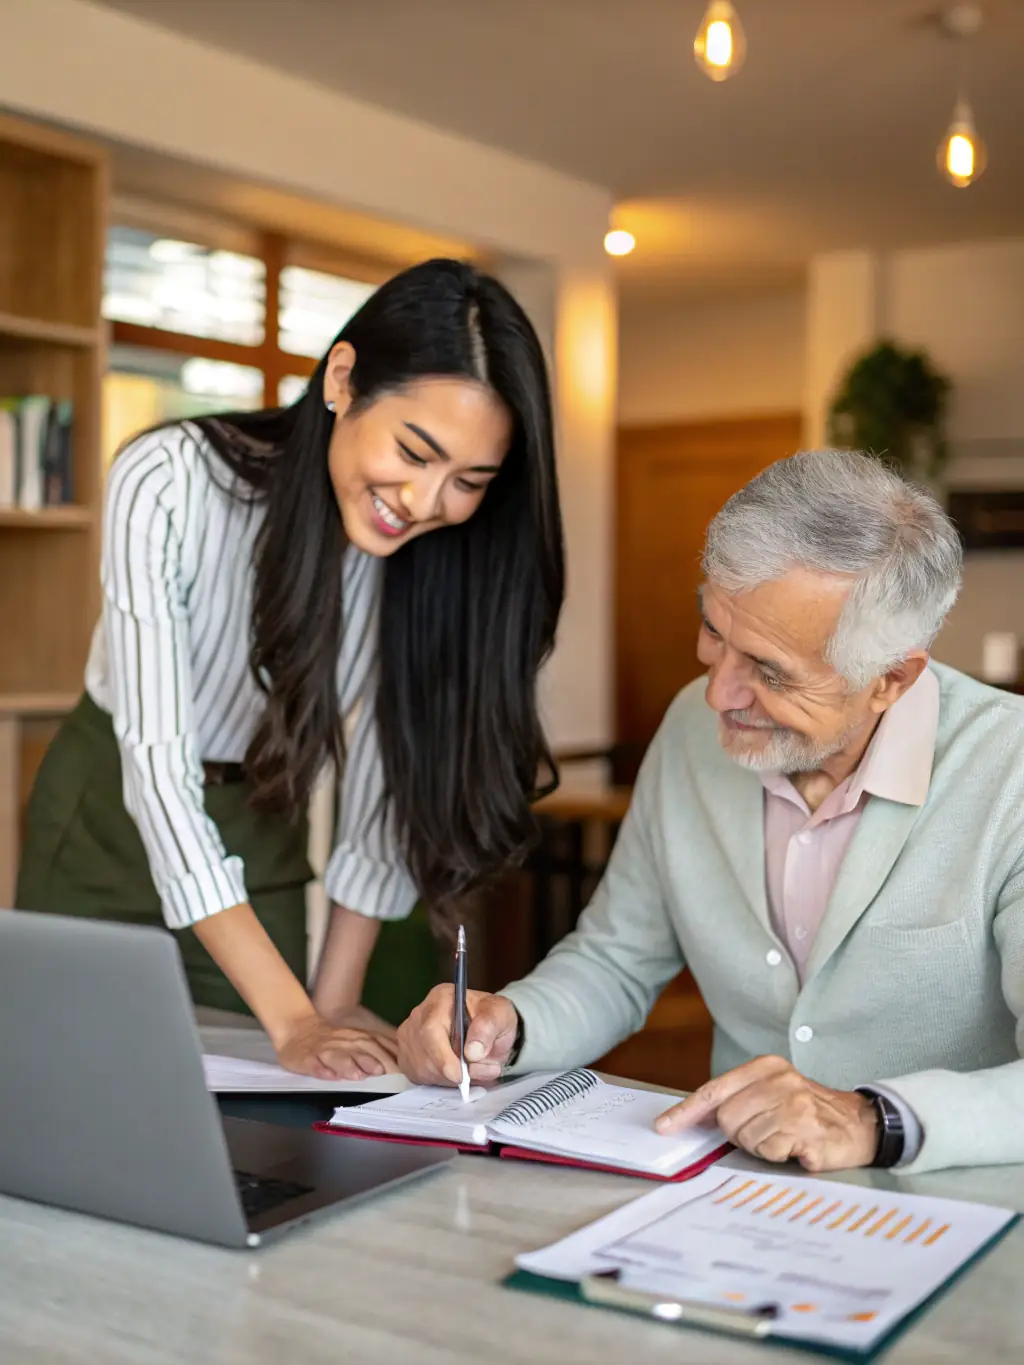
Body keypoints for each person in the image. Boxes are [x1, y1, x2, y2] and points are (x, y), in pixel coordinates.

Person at [398, 449, 1024, 1176]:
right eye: (714, 629)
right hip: (732, 1195)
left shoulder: (1010, 772)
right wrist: (510, 1024)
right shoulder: (691, 736)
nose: (718, 694)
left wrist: (871, 1120)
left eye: (769, 670)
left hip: (956, 1208)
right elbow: (616, 959)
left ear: (890, 679)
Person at [17, 258, 563, 1082]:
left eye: (468, 481)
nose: (423, 501)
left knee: (259, 1111)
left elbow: (384, 786)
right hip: (104, 814)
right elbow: (158, 778)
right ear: (342, 377)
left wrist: (331, 1003)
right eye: (415, 451)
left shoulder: (419, 559)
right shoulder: (164, 479)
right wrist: (295, 1017)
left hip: (261, 821)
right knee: (63, 1085)